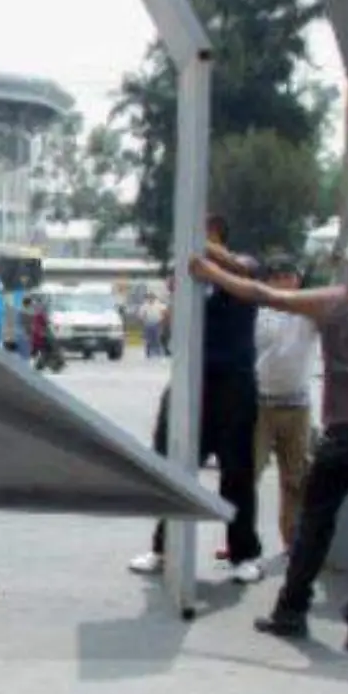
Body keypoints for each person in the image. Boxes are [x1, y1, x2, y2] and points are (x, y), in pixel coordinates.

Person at [191, 231, 348, 652]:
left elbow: (261, 292)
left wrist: (209, 271)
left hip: (341, 434)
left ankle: (290, 612)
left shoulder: (328, 302)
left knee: (314, 524)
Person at [128, 215, 265, 584]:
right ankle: (163, 547)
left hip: (232, 384)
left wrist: (201, 248)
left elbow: (240, 269)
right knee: (172, 464)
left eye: (205, 234)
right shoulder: (190, 281)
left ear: (218, 235)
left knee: (237, 472)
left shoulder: (244, 267)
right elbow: (171, 327)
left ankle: (243, 555)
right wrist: (178, 291)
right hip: (190, 381)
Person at [252, 260, 319, 554]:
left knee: (296, 478)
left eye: (288, 276)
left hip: (298, 406)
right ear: (268, 282)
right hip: (260, 406)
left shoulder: (310, 313)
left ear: (298, 279)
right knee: (247, 474)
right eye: (277, 277)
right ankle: (241, 541)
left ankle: (292, 541)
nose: (283, 283)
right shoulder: (257, 311)